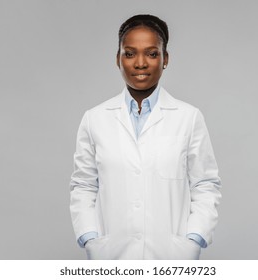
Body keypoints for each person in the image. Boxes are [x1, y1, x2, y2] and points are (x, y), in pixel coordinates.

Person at [69, 14, 221, 260]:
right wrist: (90, 238)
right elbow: (84, 185)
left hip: (172, 256)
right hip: (111, 255)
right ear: (118, 59)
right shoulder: (94, 119)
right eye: (129, 54)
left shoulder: (189, 117)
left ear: (165, 59)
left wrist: (194, 238)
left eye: (151, 53)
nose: (140, 63)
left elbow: (205, 184)